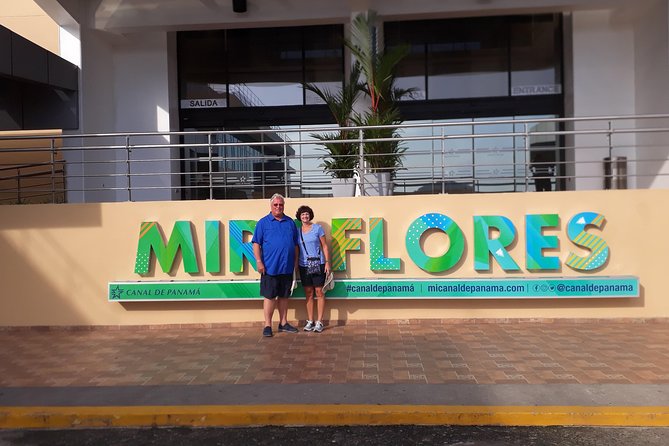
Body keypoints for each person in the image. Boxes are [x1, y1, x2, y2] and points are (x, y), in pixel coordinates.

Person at [252, 193, 300, 337]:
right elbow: (256, 243)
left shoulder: (290, 222)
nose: (278, 207)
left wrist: (296, 261)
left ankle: (283, 323)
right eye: (276, 205)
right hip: (270, 267)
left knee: (284, 296)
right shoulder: (263, 223)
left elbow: (295, 244)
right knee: (270, 297)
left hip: (287, 266)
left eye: (281, 204)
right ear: (271, 206)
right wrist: (259, 262)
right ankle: (268, 325)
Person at [295, 205, 331, 333]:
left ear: (310, 215)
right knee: (308, 293)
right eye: (303, 214)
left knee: (319, 292)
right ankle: (310, 321)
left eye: (307, 214)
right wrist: (295, 266)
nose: (305, 216)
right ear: (299, 217)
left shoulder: (317, 229)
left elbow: (325, 246)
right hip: (303, 265)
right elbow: (297, 250)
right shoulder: (297, 231)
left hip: (317, 263)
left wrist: (327, 263)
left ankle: (320, 321)